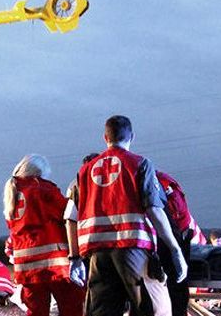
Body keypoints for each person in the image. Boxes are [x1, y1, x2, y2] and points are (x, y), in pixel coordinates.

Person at [67, 115, 188, 316]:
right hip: (133, 248)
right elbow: (154, 210)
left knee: (101, 311)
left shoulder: (84, 171)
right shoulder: (139, 164)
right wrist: (175, 249)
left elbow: (71, 218)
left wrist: (75, 259)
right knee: (155, 308)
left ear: (105, 138)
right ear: (132, 136)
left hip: (98, 254)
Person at [3, 154, 85, 316]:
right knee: (72, 306)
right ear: (39, 173)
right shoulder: (42, 189)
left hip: (27, 269)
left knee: (36, 312)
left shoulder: (12, 194)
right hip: (54, 266)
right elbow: (69, 214)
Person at [155, 170, 204, 316]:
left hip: (167, 241)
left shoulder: (145, 180)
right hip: (178, 237)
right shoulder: (163, 179)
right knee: (177, 293)